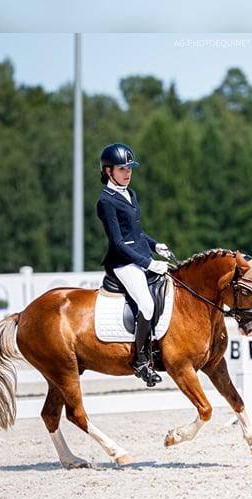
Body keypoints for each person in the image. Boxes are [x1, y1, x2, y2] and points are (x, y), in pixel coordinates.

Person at [96, 143, 172, 387]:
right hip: (123, 262)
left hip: (139, 255)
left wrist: (154, 245)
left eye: (129, 168)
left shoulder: (131, 193)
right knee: (147, 305)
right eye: (122, 169)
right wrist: (149, 263)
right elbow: (118, 243)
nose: (127, 173)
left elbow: (136, 233)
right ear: (108, 171)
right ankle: (140, 361)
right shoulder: (106, 201)